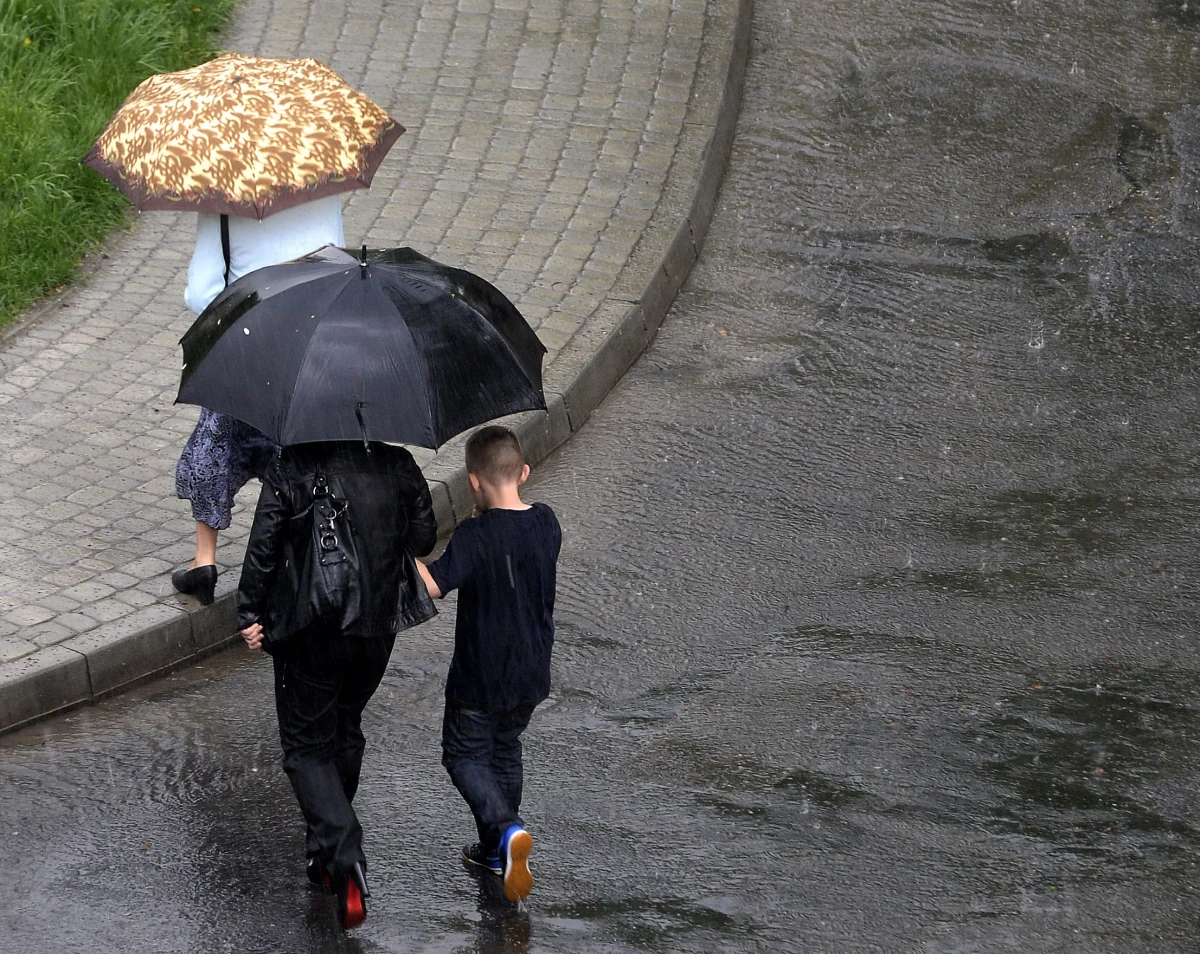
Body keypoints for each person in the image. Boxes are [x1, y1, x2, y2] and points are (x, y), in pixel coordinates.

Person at [237, 439, 437, 929]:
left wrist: (250, 612)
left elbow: (263, 547)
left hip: (314, 626)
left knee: (306, 747)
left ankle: (344, 853)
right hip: (378, 625)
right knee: (345, 726)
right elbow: (424, 537)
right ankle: (323, 857)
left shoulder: (291, 466)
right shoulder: (398, 462)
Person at [172, 195, 345, 604]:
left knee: (217, 440)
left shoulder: (221, 201)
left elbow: (202, 294)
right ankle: (312, 545)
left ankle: (205, 560)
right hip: (310, 338)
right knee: (297, 443)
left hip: (246, 344)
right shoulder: (322, 184)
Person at [416, 425, 562, 904]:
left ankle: (505, 830)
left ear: (472, 482)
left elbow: (433, 585)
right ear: (523, 472)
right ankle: (494, 848)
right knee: (504, 749)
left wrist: (402, 556)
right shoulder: (546, 522)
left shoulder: (474, 535)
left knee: (463, 756)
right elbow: (516, 552)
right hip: (531, 674)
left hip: (480, 678)